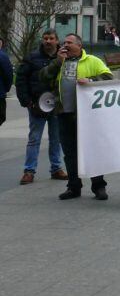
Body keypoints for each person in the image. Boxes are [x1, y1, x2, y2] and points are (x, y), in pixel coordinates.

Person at [40, 34, 113, 201]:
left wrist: (91, 80)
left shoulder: (92, 60)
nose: (65, 45)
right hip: (64, 112)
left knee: (92, 150)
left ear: (79, 46)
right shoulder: (60, 61)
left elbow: (109, 78)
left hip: (88, 115)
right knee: (70, 152)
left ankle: (99, 186)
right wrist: (57, 62)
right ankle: (74, 187)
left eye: (69, 43)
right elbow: (43, 77)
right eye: (64, 42)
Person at [15, 29, 65, 185]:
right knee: (34, 139)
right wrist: (27, 101)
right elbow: (21, 80)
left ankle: (56, 168)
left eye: (51, 38)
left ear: (57, 41)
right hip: (37, 104)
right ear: (42, 40)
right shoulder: (31, 57)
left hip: (57, 104)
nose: (48, 41)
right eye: (45, 38)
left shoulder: (65, 57)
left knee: (56, 139)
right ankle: (29, 171)